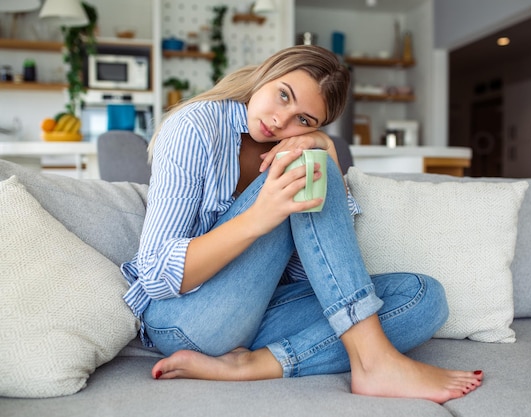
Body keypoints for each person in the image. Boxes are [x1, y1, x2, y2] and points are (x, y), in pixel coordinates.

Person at [121, 45, 483, 403]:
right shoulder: (197, 127)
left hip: (254, 314)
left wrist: (327, 153)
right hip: (184, 317)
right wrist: (258, 217)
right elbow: (154, 273)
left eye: (305, 120)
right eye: (283, 95)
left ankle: (251, 365)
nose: (282, 120)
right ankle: (373, 363)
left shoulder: (292, 147)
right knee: (310, 168)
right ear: (267, 72)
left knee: (422, 297)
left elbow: (317, 278)